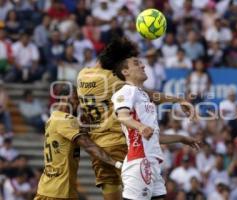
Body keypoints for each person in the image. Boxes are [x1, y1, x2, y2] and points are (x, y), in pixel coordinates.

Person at [77, 37, 194, 200]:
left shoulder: (82, 75)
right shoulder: (114, 79)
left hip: (98, 148)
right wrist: (177, 99)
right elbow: (149, 94)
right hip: (120, 144)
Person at [107, 39, 201, 199]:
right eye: (136, 64)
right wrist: (139, 126)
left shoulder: (143, 95)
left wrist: (182, 138)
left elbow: (155, 136)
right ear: (125, 72)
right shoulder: (126, 91)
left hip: (153, 163)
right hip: (138, 162)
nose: (143, 66)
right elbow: (122, 116)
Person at [34, 85, 122, 200]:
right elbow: (88, 145)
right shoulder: (66, 120)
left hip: (54, 188)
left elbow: (81, 131)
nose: (79, 104)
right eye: (76, 99)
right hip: (57, 192)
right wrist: (117, 164)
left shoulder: (54, 118)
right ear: (65, 99)